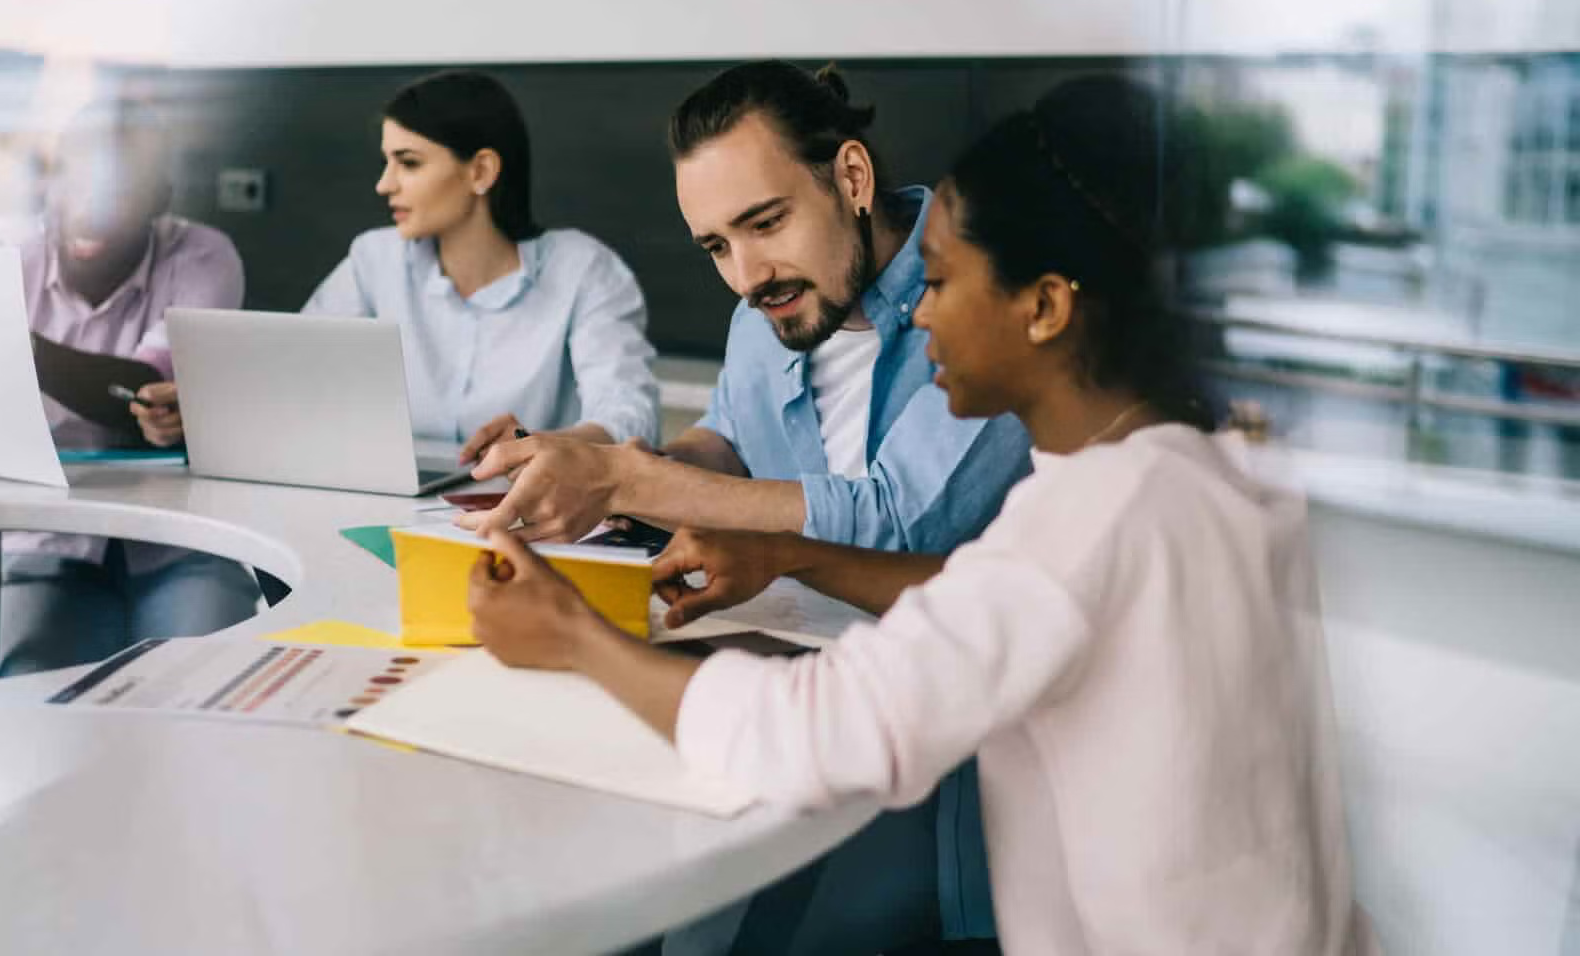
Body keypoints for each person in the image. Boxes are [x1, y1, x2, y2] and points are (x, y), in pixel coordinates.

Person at [467, 76, 1379, 954]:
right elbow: (991, 590)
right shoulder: (1212, 468)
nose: (916, 314)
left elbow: (822, 731)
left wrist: (571, 635)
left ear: (1046, 306)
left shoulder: (1090, 514)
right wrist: (794, 555)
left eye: (939, 280)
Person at [455, 61, 1031, 554]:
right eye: (716, 247)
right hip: (789, 633)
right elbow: (730, 445)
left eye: (767, 223)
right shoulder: (764, 310)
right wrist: (599, 464)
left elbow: (902, 525)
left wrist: (627, 482)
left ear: (852, 179)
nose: (747, 278)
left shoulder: (993, 294)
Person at [0, 100, 262, 676]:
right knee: (33, 698)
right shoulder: (5, 248)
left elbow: (143, 387)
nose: (91, 203)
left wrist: (19, 348)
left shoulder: (201, 256)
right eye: (74, 176)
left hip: (182, 545)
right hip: (46, 542)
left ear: (160, 199)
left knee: (210, 683)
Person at [299, 69, 659, 461]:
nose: (385, 185)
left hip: (525, 504)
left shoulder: (584, 269)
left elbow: (630, 417)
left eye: (409, 163)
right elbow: (295, 373)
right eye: (387, 162)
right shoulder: (373, 260)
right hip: (393, 494)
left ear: (481, 171)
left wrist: (541, 447)